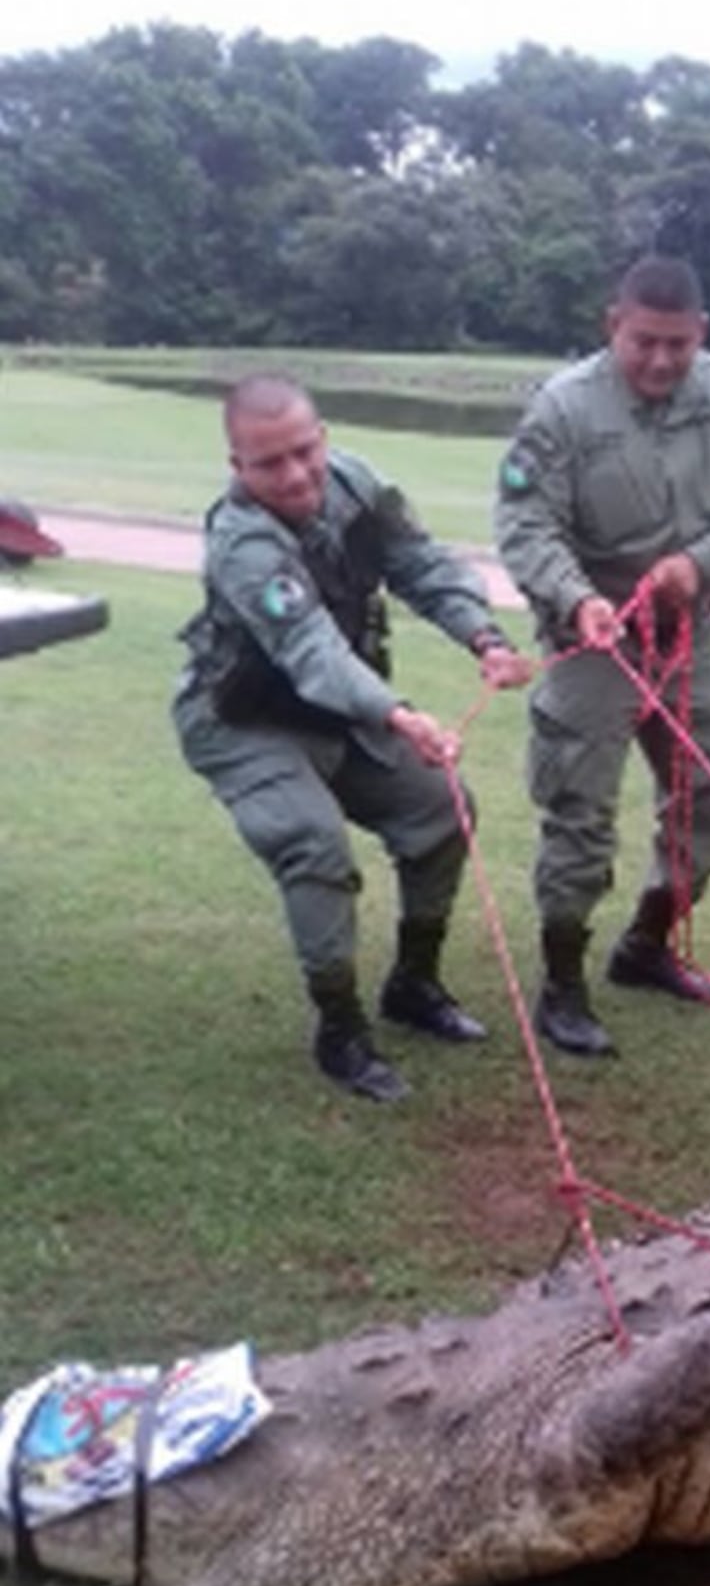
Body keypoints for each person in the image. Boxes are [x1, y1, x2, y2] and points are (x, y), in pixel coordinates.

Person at [173, 374, 533, 1103]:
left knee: (441, 809)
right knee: (314, 844)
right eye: (268, 463)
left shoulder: (356, 486)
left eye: (303, 451)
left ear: (323, 438)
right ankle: (340, 1027)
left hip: (338, 715)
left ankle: (414, 985)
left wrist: (483, 634)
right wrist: (398, 713)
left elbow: (420, 564)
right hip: (246, 722)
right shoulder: (242, 539)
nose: (294, 474)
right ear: (237, 466)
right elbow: (311, 649)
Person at [494, 255, 710, 1056]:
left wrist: (702, 561)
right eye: (643, 341)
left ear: (703, 335)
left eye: (678, 345)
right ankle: (562, 984)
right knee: (580, 812)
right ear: (611, 324)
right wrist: (574, 595)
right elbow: (525, 525)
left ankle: (646, 943)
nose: (661, 361)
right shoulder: (561, 410)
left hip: (687, 629)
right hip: (592, 633)